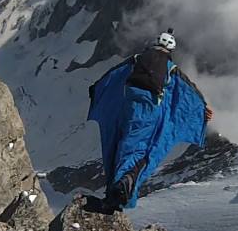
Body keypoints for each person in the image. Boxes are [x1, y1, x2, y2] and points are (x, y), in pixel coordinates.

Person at [87, 29, 213, 213]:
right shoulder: (171, 68)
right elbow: (189, 92)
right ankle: (124, 186)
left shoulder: (137, 60)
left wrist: (95, 91)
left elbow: (111, 75)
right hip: (149, 111)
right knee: (141, 150)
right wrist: (203, 111)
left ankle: (112, 197)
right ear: (170, 50)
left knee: (122, 144)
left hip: (128, 108)